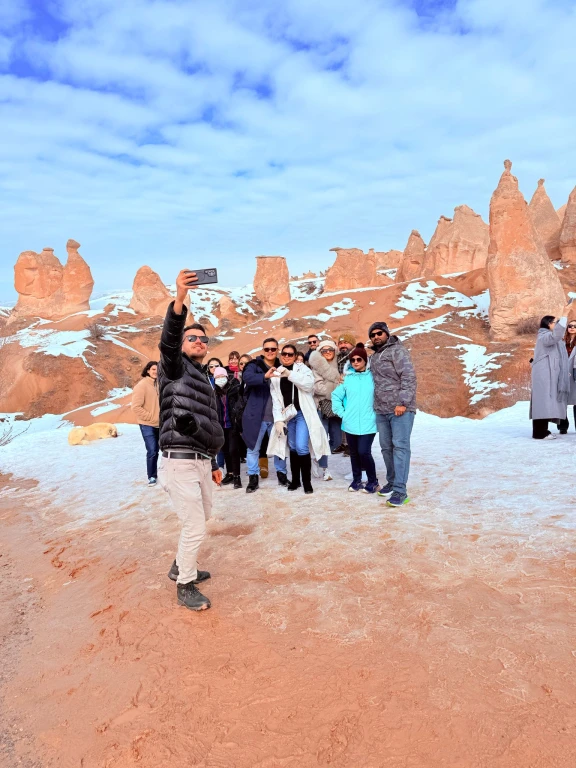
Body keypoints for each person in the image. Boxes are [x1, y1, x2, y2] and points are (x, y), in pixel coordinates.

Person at [157, 269, 225, 612]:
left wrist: (212, 462)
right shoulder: (173, 368)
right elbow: (168, 340)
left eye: (204, 340)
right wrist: (180, 299)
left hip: (200, 460)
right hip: (178, 459)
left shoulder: (204, 377)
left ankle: (179, 565)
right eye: (192, 338)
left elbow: (209, 421)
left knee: (204, 516)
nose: (199, 342)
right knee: (195, 525)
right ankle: (184, 584)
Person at [268, 344, 330, 494]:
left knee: (302, 446)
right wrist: (278, 420)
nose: (287, 356)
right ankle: (295, 480)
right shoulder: (275, 374)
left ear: (295, 356)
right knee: (293, 447)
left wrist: (289, 374)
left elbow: (309, 386)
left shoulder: (303, 369)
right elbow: (276, 399)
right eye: (284, 354)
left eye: (290, 354)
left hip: (303, 413)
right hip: (288, 416)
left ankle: (307, 482)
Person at [368, 321, 417, 507]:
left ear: (387, 333)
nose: (376, 337)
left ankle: (400, 491)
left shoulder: (398, 351)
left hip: (400, 409)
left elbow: (409, 376)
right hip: (382, 410)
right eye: (372, 335)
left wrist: (403, 402)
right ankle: (391, 481)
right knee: (386, 448)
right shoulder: (374, 357)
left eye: (379, 333)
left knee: (400, 447)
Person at [241, 338, 288, 493]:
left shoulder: (282, 367)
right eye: (267, 349)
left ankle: (282, 474)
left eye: (273, 349)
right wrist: (264, 377)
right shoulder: (253, 366)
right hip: (257, 416)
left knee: (279, 447)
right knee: (253, 447)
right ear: (263, 350)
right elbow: (247, 378)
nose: (270, 352)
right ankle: (253, 477)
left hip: (277, 418)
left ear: (277, 350)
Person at [331, 343, 379, 493]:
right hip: (349, 423)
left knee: (364, 451)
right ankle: (357, 481)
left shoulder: (373, 378)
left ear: (365, 360)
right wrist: (343, 413)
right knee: (354, 453)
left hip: (368, 422)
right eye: (353, 360)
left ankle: (373, 481)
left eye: (359, 359)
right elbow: (335, 396)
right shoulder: (348, 379)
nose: (356, 362)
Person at [530, 309, 571, 439]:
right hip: (544, 375)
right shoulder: (544, 336)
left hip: (548, 374)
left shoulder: (546, 336)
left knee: (546, 402)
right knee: (543, 402)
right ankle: (539, 433)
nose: (557, 324)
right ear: (548, 324)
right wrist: (564, 316)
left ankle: (542, 431)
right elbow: (555, 336)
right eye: (555, 322)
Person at [308, 339, 342, 481]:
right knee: (323, 439)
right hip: (322, 407)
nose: (328, 352)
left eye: (330, 349)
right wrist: (336, 385)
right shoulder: (315, 368)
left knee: (337, 441)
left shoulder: (340, 366)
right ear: (320, 353)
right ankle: (325, 469)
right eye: (324, 350)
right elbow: (317, 388)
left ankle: (316, 457)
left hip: (337, 408)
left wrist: (330, 384)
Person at [131, 360, 160, 486]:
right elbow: (136, 407)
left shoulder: (161, 384)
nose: (156, 372)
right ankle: (152, 476)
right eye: (153, 369)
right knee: (152, 450)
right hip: (147, 424)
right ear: (148, 370)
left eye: (158, 369)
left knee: (166, 449)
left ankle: (167, 473)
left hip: (161, 424)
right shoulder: (141, 386)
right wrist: (150, 417)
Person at [212, 366, 242, 488]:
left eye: (222, 376)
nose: (220, 379)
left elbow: (240, 406)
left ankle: (237, 476)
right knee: (225, 451)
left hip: (232, 425)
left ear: (226, 377)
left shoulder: (234, 389)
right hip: (221, 426)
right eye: (217, 377)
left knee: (233, 450)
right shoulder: (214, 393)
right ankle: (229, 473)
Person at [558, 319, 576, 433]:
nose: (572, 328)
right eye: (570, 325)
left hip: (575, 374)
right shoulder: (561, 341)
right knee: (561, 401)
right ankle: (563, 426)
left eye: (575, 326)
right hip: (562, 374)